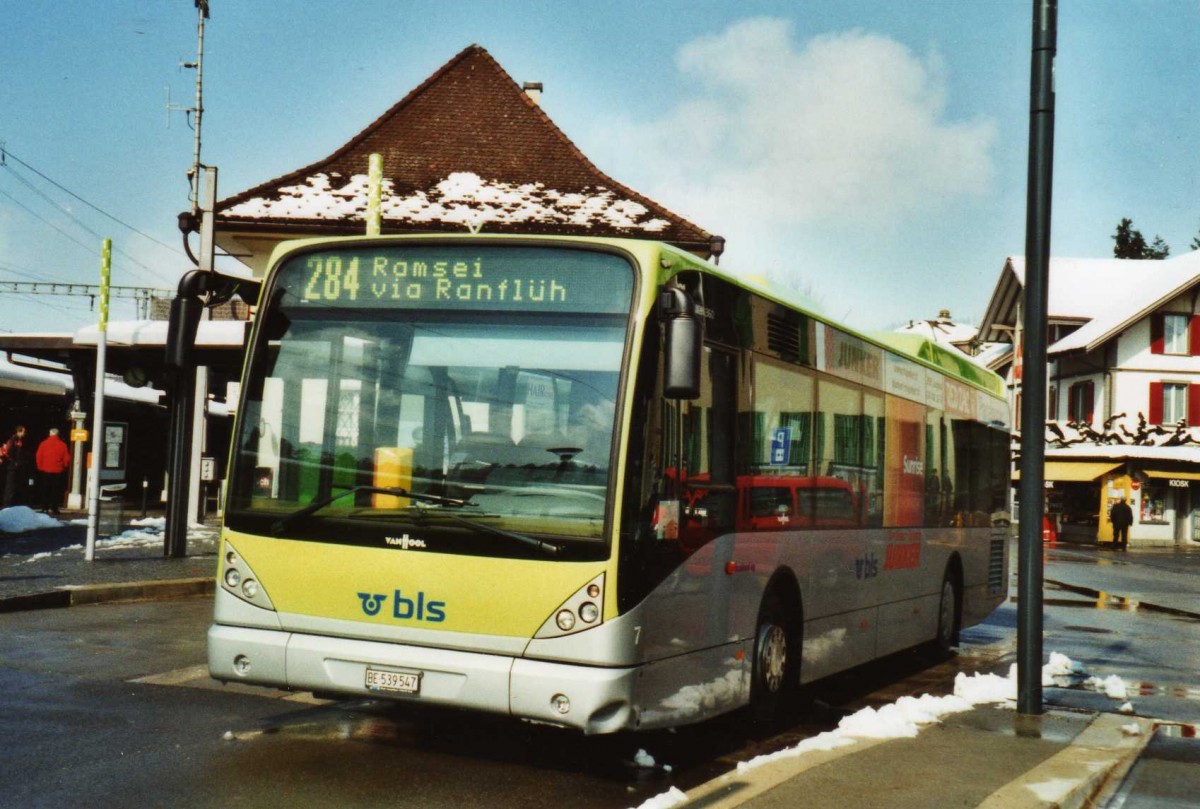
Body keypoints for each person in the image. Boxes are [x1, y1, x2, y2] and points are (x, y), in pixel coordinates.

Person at [35, 428, 71, 515]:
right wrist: (64, 466)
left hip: (45, 470)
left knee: (45, 489)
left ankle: (44, 507)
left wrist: (40, 467)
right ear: (58, 434)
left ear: (50, 434)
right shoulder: (63, 445)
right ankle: (54, 508)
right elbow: (67, 458)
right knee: (55, 490)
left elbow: (38, 456)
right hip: (58, 470)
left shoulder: (43, 444)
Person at [2, 425, 31, 507]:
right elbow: (9, 451)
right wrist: (15, 461)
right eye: (24, 431)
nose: (25, 433)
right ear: (20, 431)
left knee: (14, 486)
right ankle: (7, 504)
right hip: (13, 466)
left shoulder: (18, 440)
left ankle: (11, 503)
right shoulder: (14, 440)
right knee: (11, 486)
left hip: (15, 466)